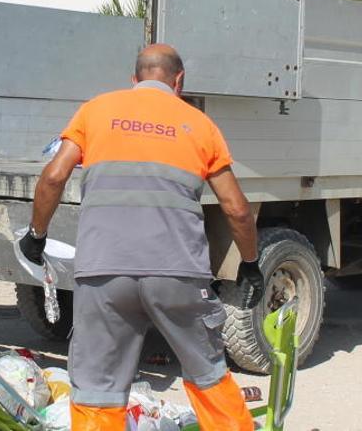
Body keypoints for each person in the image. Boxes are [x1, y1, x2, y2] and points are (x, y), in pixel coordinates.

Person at [19, 44, 264, 430]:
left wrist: (37, 235)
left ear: (134, 79)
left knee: (97, 390)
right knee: (208, 374)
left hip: (103, 273)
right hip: (178, 274)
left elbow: (53, 177)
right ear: (178, 80)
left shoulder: (96, 110)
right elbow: (237, 208)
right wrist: (250, 264)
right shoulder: (200, 124)